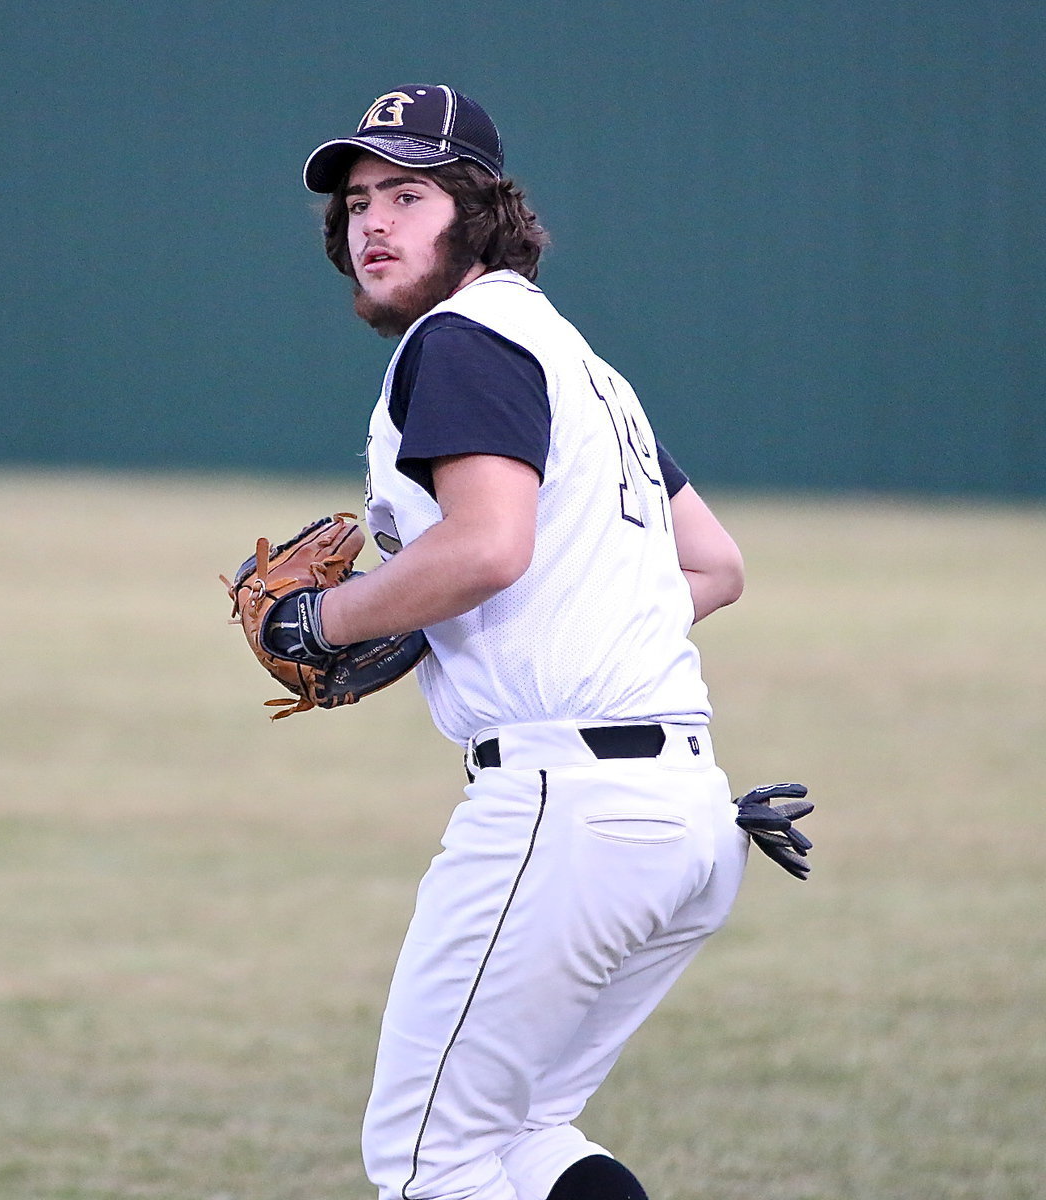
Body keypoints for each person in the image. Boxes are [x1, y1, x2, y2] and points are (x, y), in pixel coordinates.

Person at [299, 84, 749, 1200]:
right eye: (358, 201)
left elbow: (490, 548)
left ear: (479, 210)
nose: (373, 224)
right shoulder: (576, 361)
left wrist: (327, 616)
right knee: (524, 1136)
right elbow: (712, 568)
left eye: (408, 193)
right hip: (681, 815)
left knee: (427, 1160)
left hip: (567, 807)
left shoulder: (460, 340)